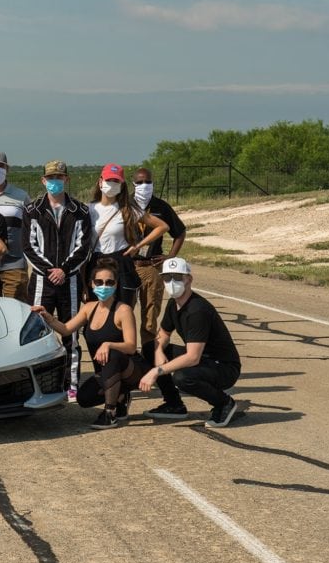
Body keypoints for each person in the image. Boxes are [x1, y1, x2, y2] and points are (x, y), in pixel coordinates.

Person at [33, 258, 150, 429]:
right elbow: (66, 329)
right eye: (99, 282)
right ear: (92, 285)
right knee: (84, 399)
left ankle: (110, 413)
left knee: (113, 354)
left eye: (109, 282)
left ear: (116, 284)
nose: (104, 286)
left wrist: (109, 344)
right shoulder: (89, 308)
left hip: (130, 369)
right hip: (105, 371)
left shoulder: (123, 310)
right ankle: (120, 397)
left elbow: (131, 346)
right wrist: (48, 317)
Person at [139, 257, 243, 428]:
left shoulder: (197, 310)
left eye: (178, 277)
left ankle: (224, 403)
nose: (172, 282)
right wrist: (158, 352)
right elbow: (163, 333)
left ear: (189, 279)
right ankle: (174, 404)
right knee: (150, 347)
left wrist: (156, 371)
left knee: (183, 377)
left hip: (223, 366)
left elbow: (192, 358)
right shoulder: (174, 303)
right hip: (204, 359)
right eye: (167, 278)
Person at [22, 160, 94, 398]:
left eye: (59, 177)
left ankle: (71, 383)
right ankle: (37, 384)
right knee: (36, 332)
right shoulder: (32, 210)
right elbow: (28, 247)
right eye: (50, 178)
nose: (55, 182)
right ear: (43, 180)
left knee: (70, 334)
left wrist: (64, 270)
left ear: (66, 179)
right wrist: (50, 270)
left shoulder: (80, 211)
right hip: (42, 282)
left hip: (70, 282)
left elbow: (83, 246)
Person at [87, 164, 167, 306]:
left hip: (121, 262)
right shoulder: (89, 209)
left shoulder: (127, 209)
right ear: (100, 182)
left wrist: (138, 245)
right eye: (109, 180)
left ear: (122, 184)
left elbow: (162, 226)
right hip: (97, 261)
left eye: (116, 181)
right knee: (96, 309)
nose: (112, 184)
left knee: (122, 308)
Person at [131, 167, 187, 364]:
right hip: (128, 266)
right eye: (139, 182)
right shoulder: (125, 205)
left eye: (147, 182)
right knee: (124, 313)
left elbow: (179, 232)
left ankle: (148, 359)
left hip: (151, 265)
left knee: (150, 315)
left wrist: (170, 257)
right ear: (132, 184)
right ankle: (127, 358)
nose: (143, 186)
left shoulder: (161, 207)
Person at [0, 151, 31, 301]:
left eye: (1, 166)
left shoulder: (21, 196)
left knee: (16, 310)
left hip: (14, 264)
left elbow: (31, 229)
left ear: (7, 169)